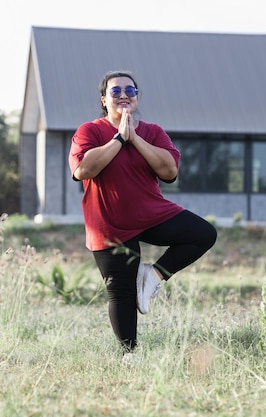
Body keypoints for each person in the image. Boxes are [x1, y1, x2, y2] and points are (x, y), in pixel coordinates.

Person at [68, 70, 217, 354]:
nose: (123, 95)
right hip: (108, 223)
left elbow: (170, 171)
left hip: (151, 214)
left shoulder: (153, 132)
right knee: (121, 293)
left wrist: (134, 138)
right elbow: (83, 169)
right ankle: (130, 356)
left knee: (203, 233)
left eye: (130, 90)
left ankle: (153, 276)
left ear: (137, 97)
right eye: (115, 91)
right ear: (104, 99)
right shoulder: (89, 131)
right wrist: (119, 138)